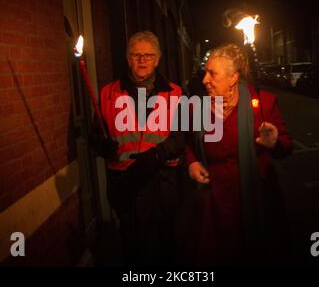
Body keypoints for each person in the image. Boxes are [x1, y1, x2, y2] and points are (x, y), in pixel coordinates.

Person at [185, 43, 293, 266]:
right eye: (205, 72)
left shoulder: (263, 102)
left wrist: (274, 143)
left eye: (212, 73)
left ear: (233, 78)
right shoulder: (198, 108)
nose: (204, 79)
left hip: (255, 198)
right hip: (213, 203)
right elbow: (188, 145)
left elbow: (286, 147)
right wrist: (192, 163)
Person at [89, 31, 185, 266]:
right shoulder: (108, 93)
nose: (142, 60)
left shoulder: (175, 92)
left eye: (148, 55)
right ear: (127, 58)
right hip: (125, 180)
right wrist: (104, 146)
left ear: (158, 58)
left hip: (161, 180)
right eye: (136, 55)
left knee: (165, 242)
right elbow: (94, 134)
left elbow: (182, 136)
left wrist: (157, 154)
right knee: (132, 245)